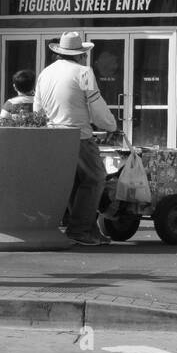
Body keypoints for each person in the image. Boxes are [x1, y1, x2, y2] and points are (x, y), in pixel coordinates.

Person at [33, 32, 117, 247]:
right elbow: (96, 106)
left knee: (76, 181)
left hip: (53, 135)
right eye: (84, 54)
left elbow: (37, 110)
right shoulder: (84, 72)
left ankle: (87, 228)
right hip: (78, 135)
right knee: (96, 178)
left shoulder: (45, 73)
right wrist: (111, 125)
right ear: (80, 55)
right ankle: (79, 229)